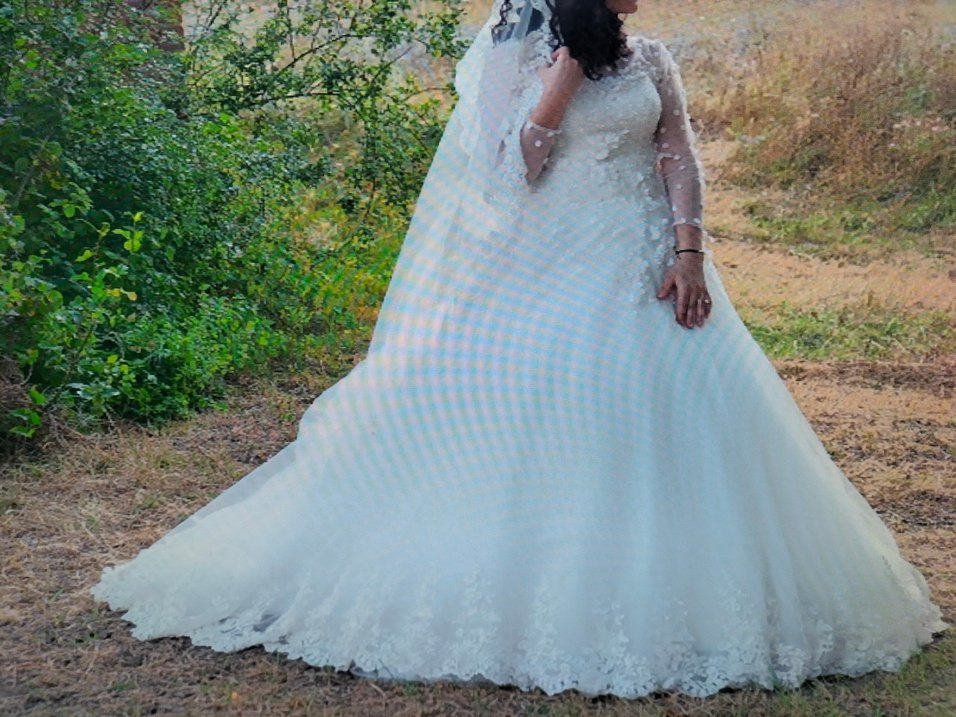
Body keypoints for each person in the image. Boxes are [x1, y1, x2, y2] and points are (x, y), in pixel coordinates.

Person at [89, 0, 949, 700]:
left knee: (689, 414)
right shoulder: (510, 55)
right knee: (563, 417)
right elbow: (509, 172)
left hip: (652, 265)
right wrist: (560, 85)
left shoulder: (651, 57)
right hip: (555, 268)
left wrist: (689, 250)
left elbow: (677, 151)